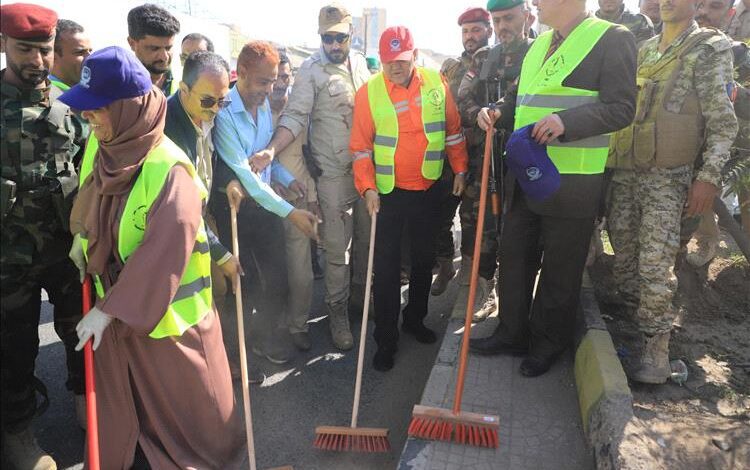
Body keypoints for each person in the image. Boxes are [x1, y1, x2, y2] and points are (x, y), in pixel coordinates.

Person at [62, 46, 245, 468]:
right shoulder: (111, 150)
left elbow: (164, 253)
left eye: (97, 110)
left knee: (195, 429)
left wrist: (108, 311)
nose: (88, 118)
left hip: (170, 325)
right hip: (125, 318)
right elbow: (93, 195)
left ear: (127, 108)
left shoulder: (171, 169)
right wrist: (82, 234)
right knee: (135, 416)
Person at [469, 0, 637, 378]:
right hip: (526, 175)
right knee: (515, 257)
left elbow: (623, 107)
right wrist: (496, 109)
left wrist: (566, 122)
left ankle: (546, 344)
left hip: (572, 178)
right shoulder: (538, 46)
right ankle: (511, 333)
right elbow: (520, 99)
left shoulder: (612, 39)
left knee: (561, 269)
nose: (535, 4)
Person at [607, 0, 737, 383]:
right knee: (626, 262)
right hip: (628, 172)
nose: (666, 1)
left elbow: (721, 122)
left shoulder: (708, 49)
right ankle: (635, 331)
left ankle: (656, 351)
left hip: (669, 177)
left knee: (654, 263)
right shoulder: (644, 49)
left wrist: (708, 178)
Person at [351, 26, 469, 371]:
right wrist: (367, 188)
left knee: (423, 261)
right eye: (389, 62)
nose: (395, 68)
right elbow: (360, 148)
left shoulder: (436, 83)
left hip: (429, 189)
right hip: (387, 195)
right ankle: (386, 338)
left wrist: (460, 170)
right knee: (386, 270)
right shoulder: (369, 93)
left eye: (401, 61)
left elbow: (452, 131)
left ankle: (415, 319)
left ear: (413, 56)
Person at [0, 4, 86, 469]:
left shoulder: (69, 106)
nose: (36, 61)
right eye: (25, 50)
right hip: (8, 258)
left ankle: (86, 402)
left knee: (80, 330)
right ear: (3, 45)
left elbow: (89, 170)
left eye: (45, 51)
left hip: (65, 248)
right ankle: (17, 431)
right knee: (15, 345)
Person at [260, 3, 372, 351]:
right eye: (328, 39)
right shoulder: (310, 71)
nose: (334, 46)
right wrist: (271, 151)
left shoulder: (360, 65)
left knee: (367, 246)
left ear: (351, 35)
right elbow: (294, 117)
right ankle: (336, 313)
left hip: (366, 171)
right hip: (334, 176)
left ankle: (358, 303)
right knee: (337, 252)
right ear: (320, 37)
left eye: (340, 38)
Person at [211, 41, 318, 372]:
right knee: (239, 283)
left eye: (273, 81)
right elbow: (245, 173)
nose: (270, 90)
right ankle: (234, 352)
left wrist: (286, 178)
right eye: (263, 82)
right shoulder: (225, 113)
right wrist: (291, 213)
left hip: (265, 206)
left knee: (278, 276)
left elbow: (264, 160)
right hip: (234, 208)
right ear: (241, 73)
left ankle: (265, 337)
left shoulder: (264, 108)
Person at [163, 50, 245, 377]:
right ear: (184, 90)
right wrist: (223, 254)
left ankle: (217, 362)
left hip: (199, 217)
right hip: (175, 228)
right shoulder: (169, 127)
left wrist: (229, 182)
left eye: (223, 102)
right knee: (186, 306)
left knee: (216, 293)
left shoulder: (205, 114)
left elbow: (211, 163)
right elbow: (184, 207)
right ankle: (195, 375)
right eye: (209, 101)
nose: (216, 111)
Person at [455, 0, 535, 322]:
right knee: (484, 228)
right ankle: (485, 288)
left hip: (526, 158)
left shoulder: (539, 52)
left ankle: (518, 296)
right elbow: (463, 96)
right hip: (486, 158)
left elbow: (520, 95)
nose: (503, 26)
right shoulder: (484, 58)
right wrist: (479, 117)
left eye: (509, 18)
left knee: (522, 230)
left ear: (526, 17)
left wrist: (497, 111)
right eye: (498, 20)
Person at [429, 7, 492, 300]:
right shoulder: (451, 67)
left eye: (476, 30)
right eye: (466, 31)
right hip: (447, 156)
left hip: (480, 156)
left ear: (488, 30)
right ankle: (445, 266)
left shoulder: (494, 64)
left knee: (473, 218)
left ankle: (474, 276)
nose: (470, 36)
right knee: (440, 216)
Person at [269, 51, 318, 351]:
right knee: (271, 270)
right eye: (274, 77)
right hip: (262, 208)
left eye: (285, 76)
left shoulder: (300, 115)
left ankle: (298, 325)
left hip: (296, 203)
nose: (279, 83)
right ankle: (271, 326)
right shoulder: (252, 110)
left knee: (301, 271)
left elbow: (309, 158)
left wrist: (311, 198)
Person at [127, 3, 180, 96]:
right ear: (132, 43)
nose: (164, 57)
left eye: (168, 48)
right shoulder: (117, 86)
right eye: (154, 48)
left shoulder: (185, 80)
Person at [49, 19, 92, 90]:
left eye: (90, 51)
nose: (89, 57)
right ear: (53, 56)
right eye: (80, 52)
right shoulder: (45, 96)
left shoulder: (88, 93)